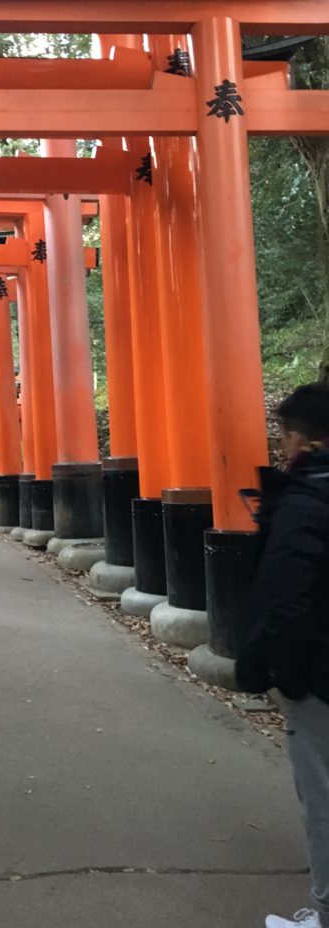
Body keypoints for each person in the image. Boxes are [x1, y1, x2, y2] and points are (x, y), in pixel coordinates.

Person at [235, 383, 329, 928]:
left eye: (286, 435)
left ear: (301, 438)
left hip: (321, 674)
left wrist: (278, 672)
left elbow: (285, 592)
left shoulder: (306, 499)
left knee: (322, 793)